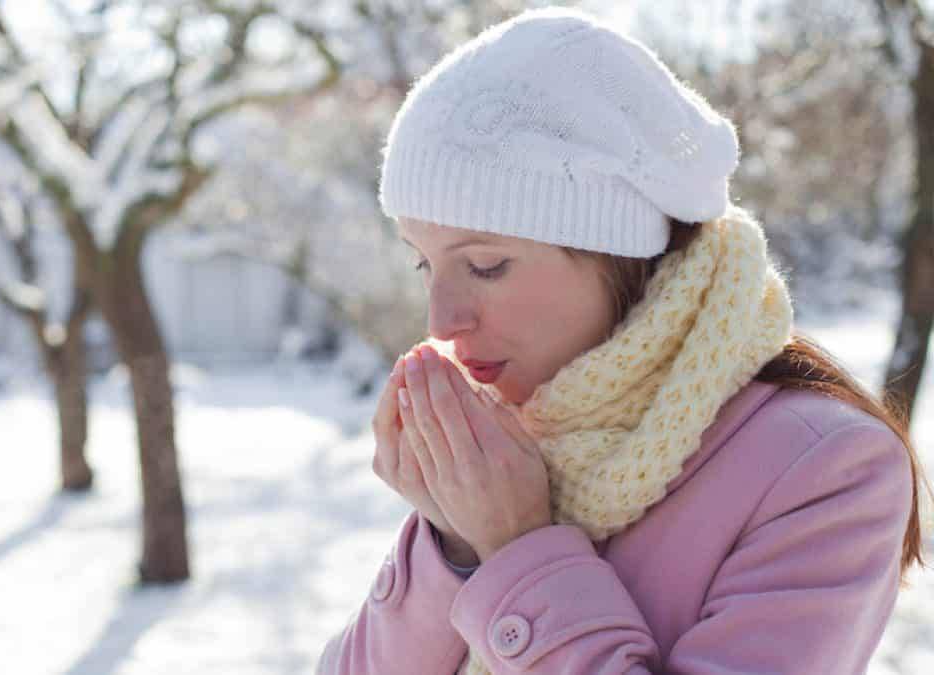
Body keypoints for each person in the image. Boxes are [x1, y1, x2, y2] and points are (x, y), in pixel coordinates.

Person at [316, 6, 931, 675]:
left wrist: (518, 547)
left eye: (486, 265)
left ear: (619, 253)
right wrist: (453, 543)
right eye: (424, 263)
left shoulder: (826, 469)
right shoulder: (518, 439)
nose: (441, 320)